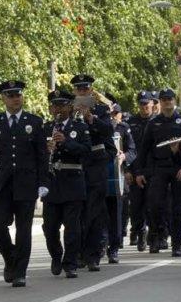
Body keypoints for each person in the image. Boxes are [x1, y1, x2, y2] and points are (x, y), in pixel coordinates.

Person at [0, 80, 48, 287]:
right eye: (10, 95)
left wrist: (43, 182)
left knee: (23, 229)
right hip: (0, 184)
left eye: (18, 95)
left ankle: (20, 272)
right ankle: (10, 258)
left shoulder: (34, 121)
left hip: (26, 183)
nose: (15, 99)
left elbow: (41, 155)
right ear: (3, 98)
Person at [134, 88, 181, 257]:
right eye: (164, 99)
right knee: (155, 205)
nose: (167, 102)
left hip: (178, 168)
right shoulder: (154, 123)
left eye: (170, 99)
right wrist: (139, 172)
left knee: (178, 208)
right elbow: (144, 150)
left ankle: (177, 243)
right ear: (160, 102)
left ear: (175, 100)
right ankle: (158, 235)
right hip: (159, 168)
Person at [42, 89, 92, 277]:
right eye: (55, 105)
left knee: (72, 226)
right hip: (52, 182)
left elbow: (87, 151)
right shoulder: (45, 128)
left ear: (70, 107)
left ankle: (70, 262)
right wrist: (46, 149)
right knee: (49, 226)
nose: (58, 109)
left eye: (62, 105)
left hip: (72, 181)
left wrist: (65, 143)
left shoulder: (79, 128)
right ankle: (56, 256)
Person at [71, 74, 115, 271]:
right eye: (79, 88)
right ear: (74, 91)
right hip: (76, 163)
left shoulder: (101, 109)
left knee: (95, 211)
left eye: (85, 88)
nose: (82, 91)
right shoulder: (69, 108)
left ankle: (93, 254)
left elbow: (107, 131)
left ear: (91, 90)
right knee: (78, 211)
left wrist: (91, 118)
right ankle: (78, 252)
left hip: (96, 162)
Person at [104, 102, 136, 264]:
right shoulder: (98, 128)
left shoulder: (123, 128)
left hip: (118, 177)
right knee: (98, 213)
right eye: (109, 114)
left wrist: (125, 158)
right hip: (100, 176)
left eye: (115, 113)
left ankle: (114, 248)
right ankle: (100, 244)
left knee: (116, 214)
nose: (112, 117)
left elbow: (132, 150)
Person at [125, 91, 154, 252]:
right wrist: (128, 170)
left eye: (146, 103)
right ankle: (140, 231)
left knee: (152, 205)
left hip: (151, 170)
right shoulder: (131, 122)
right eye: (141, 104)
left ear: (152, 104)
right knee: (136, 207)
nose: (144, 106)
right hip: (135, 169)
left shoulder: (156, 122)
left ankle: (153, 234)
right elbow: (128, 149)